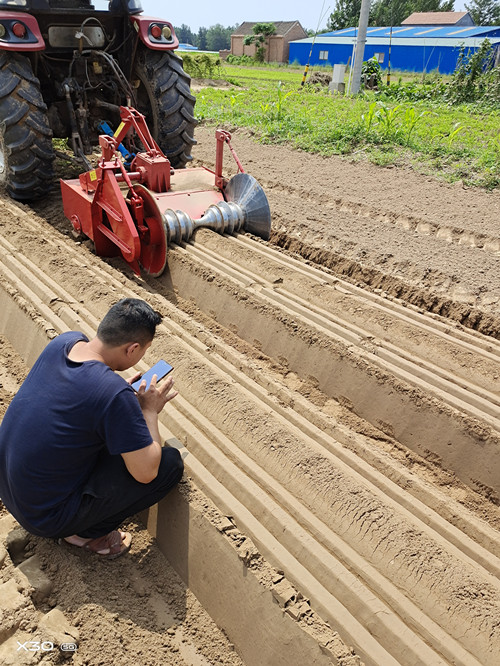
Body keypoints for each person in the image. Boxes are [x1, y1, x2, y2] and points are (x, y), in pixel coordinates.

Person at [0, 298, 184, 559]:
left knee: (106, 433)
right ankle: (88, 534)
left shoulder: (65, 343)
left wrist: (118, 395)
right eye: (144, 350)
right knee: (169, 464)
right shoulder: (112, 393)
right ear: (132, 349)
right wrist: (149, 411)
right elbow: (147, 472)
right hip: (45, 517)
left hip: (9, 489)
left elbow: (79, 394)